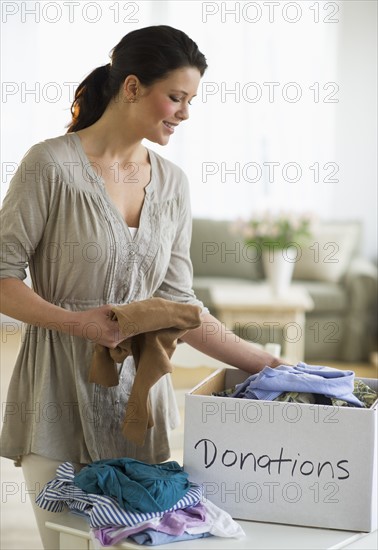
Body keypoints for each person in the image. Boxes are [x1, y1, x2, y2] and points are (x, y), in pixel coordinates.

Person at [0, 25, 285, 549]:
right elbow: (2, 277)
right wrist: (78, 322)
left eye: (190, 100)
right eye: (175, 97)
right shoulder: (50, 166)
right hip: (55, 396)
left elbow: (180, 307)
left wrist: (264, 362)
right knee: (66, 543)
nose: (184, 113)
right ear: (131, 87)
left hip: (141, 405)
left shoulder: (173, 183)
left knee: (145, 543)